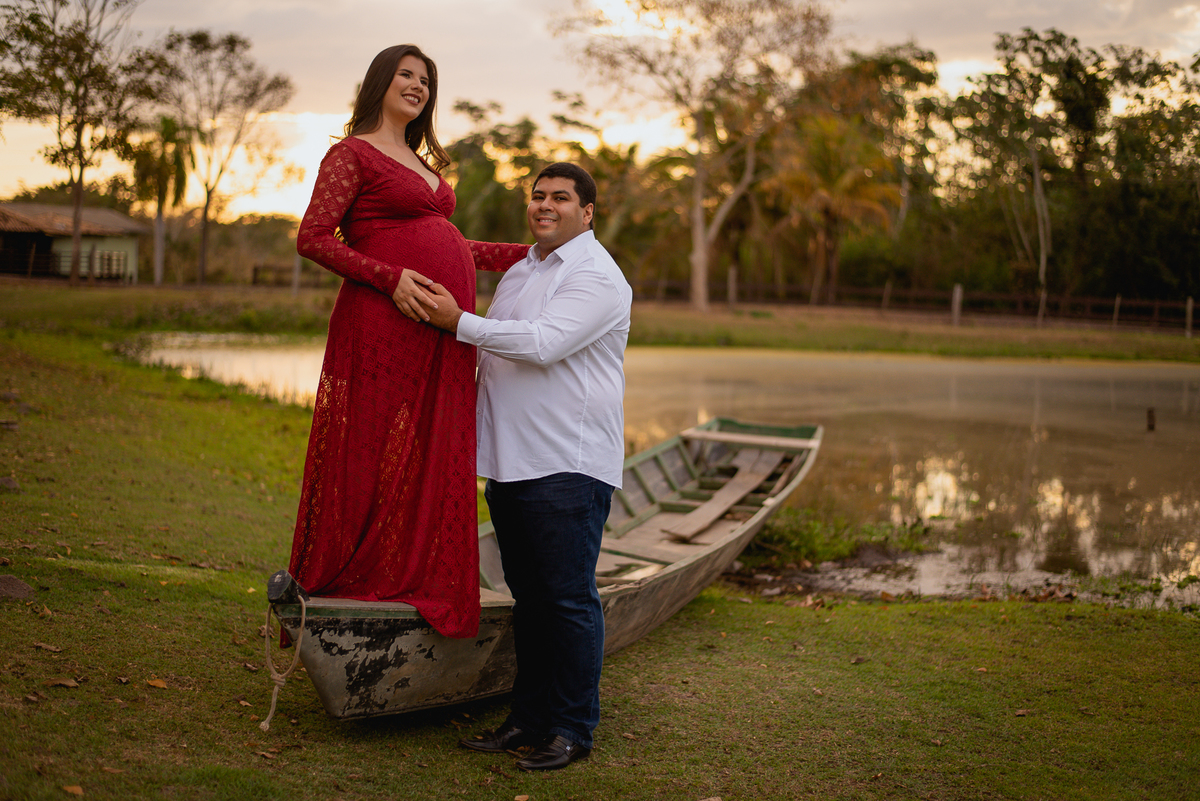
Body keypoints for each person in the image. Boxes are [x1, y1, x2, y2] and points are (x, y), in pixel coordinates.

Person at [287, 45, 527, 639]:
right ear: (380, 82)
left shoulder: (421, 162)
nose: (418, 87)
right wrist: (389, 278)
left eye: (426, 80)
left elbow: (452, 245)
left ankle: (413, 571)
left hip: (442, 334)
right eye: (406, 75)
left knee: (429, 449)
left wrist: (532, 254)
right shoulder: (351, 154)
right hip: (380, 323)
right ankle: (345, 578)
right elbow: (313, 238)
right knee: (368, 448)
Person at [424, 163, 633, 771]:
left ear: (587, 211)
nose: (545, 205)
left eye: (560, 198)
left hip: (566, 462)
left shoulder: (597, 275)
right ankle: (528, 719)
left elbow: (542, 343)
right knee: (530, 600)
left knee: (567, 600)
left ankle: (573, 728)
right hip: (509, 461)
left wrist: (454, 322)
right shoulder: (521, 269)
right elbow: (499, 350)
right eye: (537, 196)